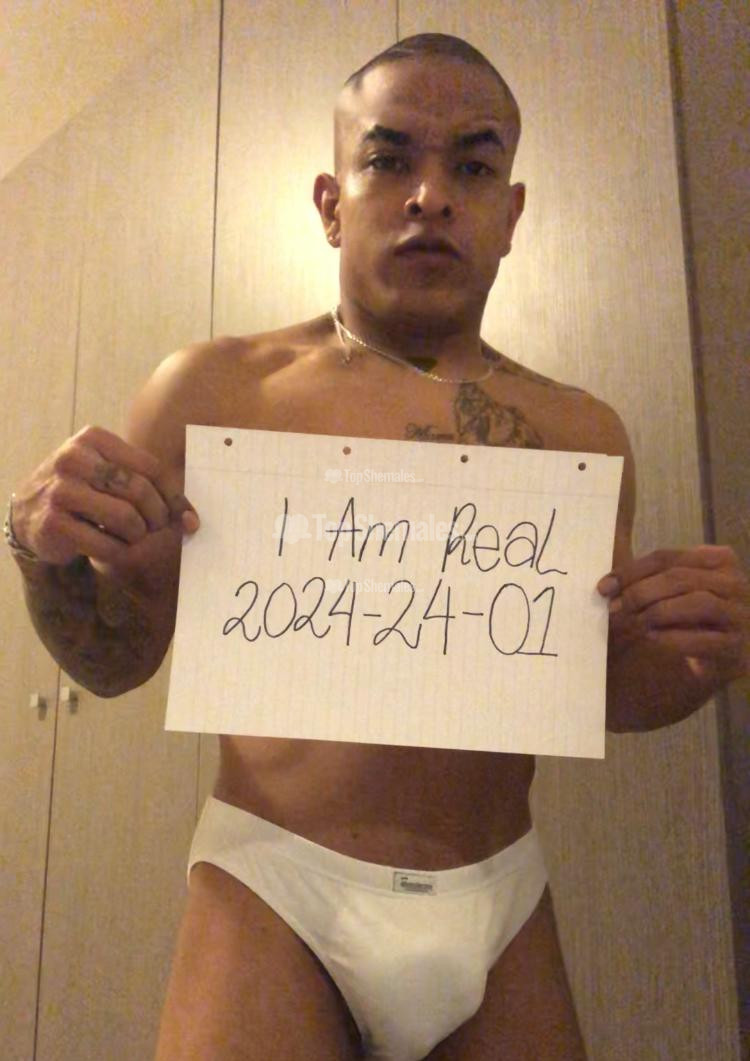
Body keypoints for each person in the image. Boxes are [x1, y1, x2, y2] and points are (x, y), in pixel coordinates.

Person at [6, 33, 748, 1061]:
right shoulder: (215, 391)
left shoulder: (582, 434)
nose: (430, 196)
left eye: (472, 167)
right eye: (390, 159)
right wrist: (39, 553)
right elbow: (115, 661)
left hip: (500, 890)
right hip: (276, 884)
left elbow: (599, 690)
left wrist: (697, 655)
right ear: (331, 202)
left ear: (511, 215)